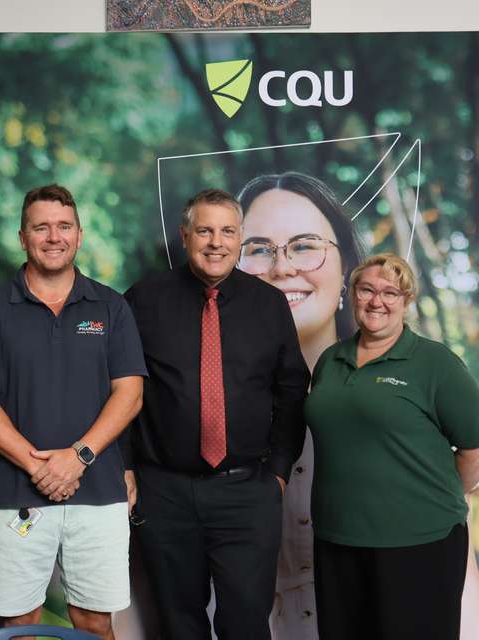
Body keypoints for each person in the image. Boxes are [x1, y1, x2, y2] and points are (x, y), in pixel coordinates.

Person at [0, 184, 145, 639]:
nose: (53, 236)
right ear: (23, 237)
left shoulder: (111, 307)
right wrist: (37, 466)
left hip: (97, 491)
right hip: (15, 494)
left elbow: (130, 394)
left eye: (63, 227)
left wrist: (76, 458)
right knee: (18, 626)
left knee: (96, 623)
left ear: (79, 235)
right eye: (40, 227)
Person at [124, 188, 310, 640]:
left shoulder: (268, 304)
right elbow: (118, 390)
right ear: (185, 235)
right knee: (177, 622)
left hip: (246, 491)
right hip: (164, 491)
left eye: (227, 231)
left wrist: (279, 472)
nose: (216, 242)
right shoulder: (143, 300)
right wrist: (126, 468)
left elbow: (291, 390)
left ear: (241, 238)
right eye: (204, 230)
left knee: (246, 622)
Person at [307, 253, 479, 640]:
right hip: (338, 539)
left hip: (420, 542)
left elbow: (474, 450)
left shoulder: (436, 364)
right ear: (352, 294)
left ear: (406, 301)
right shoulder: (330, 361)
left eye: (390, 292)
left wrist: (431, 498)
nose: (376, 301)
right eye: (366, 289)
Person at [237, 171, 363, 639]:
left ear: (347, 267)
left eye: (305, 244)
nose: (282, 267)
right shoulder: (185, 401)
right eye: (258, 249)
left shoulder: (401, 392)